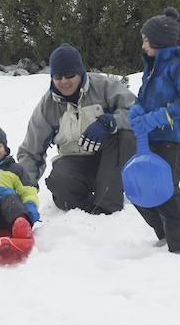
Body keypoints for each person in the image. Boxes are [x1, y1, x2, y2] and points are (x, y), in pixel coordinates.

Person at [18, 43, 136, 214]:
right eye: (58, 77)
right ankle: (87, 207)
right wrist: (24, 189)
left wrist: (112, 121)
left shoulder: (103, 86)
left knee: (125, 136)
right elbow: (31, 151)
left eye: (70, 75)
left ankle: (107, 205)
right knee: (59, 183)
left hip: (110, 160)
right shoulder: (47, 106)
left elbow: (138, 113)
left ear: (80, 72)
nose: (64, 81)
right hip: (75, 164)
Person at [127, 8, 180, 254]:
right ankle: (164, 231)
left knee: (167, 187)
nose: (143, 44)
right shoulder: (152, 67)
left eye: (146, 39)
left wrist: (160, 117)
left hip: (173, 136)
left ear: (158, 41)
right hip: (149, 136)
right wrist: (137, 111)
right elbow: (143, 97)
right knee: (138, 184)